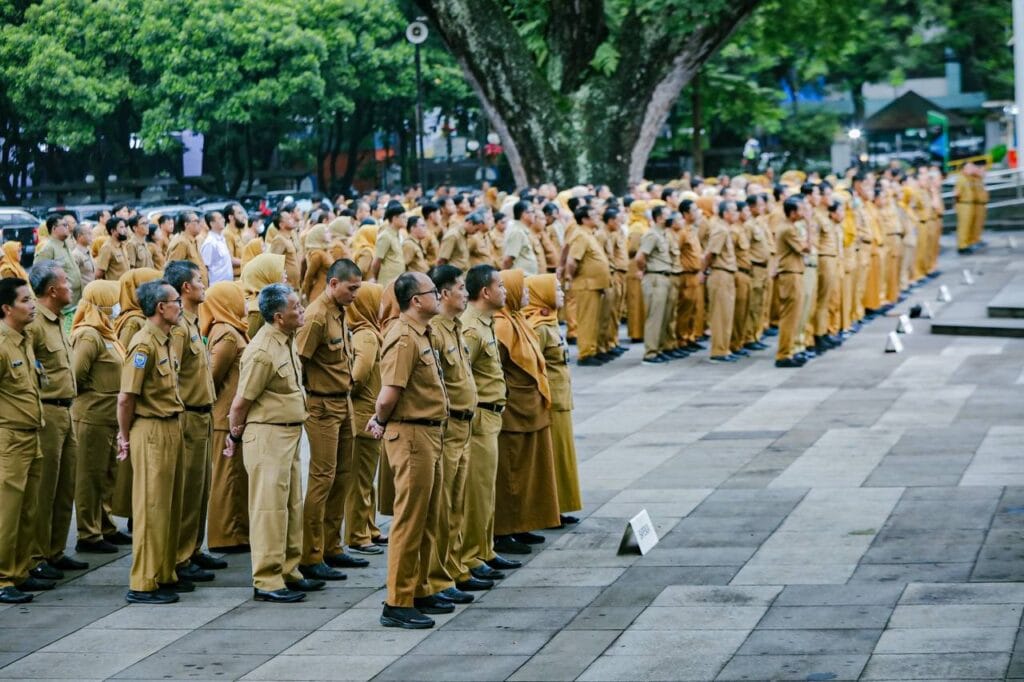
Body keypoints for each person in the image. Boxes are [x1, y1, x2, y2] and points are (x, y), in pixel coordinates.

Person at [365, 271, 450, 629]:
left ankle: (420, 589)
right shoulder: (402, 337)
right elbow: (389, 392)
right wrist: (379, 420)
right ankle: (397, 602)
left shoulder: (423, 333)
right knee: (410, 519)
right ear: (416, 300)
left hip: (429, 433)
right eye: (433, 292)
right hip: (411, 435)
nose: (439, 296)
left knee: (429, 516)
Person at [228, 283, 322, 603]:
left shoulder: (287, 340)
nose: (302, 311)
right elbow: (241, 402)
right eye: (296, 308)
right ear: (279, 317)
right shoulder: (262, 350)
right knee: (268, 509)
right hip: (268, 435)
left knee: (291, 505)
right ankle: (267, 579)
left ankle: (289, 569)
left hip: (290, 434)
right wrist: (234, 435)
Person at [295, 258, 367, 581]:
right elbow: (298, 363)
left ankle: (331, 546)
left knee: (343, 477)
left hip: (344, 403)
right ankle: (310, 555)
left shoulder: (341, 311)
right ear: (333, 284)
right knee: (322, 480)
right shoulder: (316, 316)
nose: (356, 295)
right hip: (322, 406)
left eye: (358, 289)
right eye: (351, 288)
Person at [117, 279, 186, 604]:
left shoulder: (167, 340)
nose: (180, 306)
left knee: (171, 506)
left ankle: (164, 572)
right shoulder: (143, 344)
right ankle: (143, 582)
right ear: (161, 307)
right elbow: (127, 397)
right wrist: (125, 434)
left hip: (172, 425)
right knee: (151, 507)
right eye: (176, 301)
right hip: (151, 429)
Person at [26, 261, 87, 583]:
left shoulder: (58, 320)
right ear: (52, 290)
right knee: (44, 489)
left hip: (67, 409)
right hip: (47, 412)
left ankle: (55, 550)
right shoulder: (34, 323)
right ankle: (35, 556)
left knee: (65, 487)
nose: (70, 285)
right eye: (65, 281)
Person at [422, 264, 480, 607]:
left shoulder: (457, 328)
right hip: (447, 428)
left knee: (457, 504)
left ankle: (453, 568)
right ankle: (437, 576)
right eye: (460, 287)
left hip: (465, 425)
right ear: (443, 294)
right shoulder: (436, 332)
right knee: (442, 508)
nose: (465, 293)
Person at [492, 269, 560, 553]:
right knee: (510, 472)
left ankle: (522, 523)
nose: (526, 295)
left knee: (528, 470)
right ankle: (504, 530)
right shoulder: (501, 326)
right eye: (521, 290)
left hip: (530, 406)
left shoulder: (518, 319)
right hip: (512, 409)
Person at [164, 261, 223, 582]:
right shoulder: (177, 328)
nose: (204, 284)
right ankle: (181, 556)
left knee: (200, 488)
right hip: (187, 414)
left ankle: (194, 547)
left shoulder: (192, 323)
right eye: (199, 280)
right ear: (185, 288)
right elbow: (170, 375)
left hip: (203, 412)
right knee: (187, 490)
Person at [457, 264, 510, 589]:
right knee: (475, 492)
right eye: (500, 286)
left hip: (492, 415)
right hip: (478, 417)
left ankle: (485, 549)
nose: (505, 291)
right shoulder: (471, 329)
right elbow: (463, 376)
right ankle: (471, 555)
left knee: (485, 490)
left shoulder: (486, 323)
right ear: (486, 292)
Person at [71, 280, 129, 554]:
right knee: (89, 476)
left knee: (107, 475)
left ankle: (105, 525)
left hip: (109, 417)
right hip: (92, 415)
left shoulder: (107, 331)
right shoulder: (89, 335)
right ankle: (88, 533)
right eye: (113, 299)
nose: (117, 304)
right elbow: (76, 375)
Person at [0, 277, 46, 603]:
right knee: (7, 513)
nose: (32, 305)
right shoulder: (2, 345)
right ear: (6, 308)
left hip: (32, 435)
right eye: (25, 300)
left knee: (29, 510)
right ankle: (3, 579)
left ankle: (19, 572)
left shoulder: (24, 338)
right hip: (10, 439)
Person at [523, 274, 581, 525]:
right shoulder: (539, 327)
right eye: (555, 289)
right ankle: (549, 510)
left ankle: (557, 507)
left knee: (563, 456)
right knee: (554, 457)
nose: (561, 293)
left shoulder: (550, 322)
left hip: (562, 399)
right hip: (551, 401)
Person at [201, 281, 251, 553]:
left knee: (235, 477)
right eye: (239, 296)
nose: (244, 301)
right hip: (225, 416)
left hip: (232, 415)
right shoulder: (227, 334)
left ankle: (238, 532)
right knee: (227, 477)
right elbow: (211, 378)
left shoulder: (232, 329)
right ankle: (225, 536)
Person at [345, 282, 386, 554]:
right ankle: (358, 535)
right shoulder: (367, 336)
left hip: (366, 414)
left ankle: (368, 527)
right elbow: (357, 377)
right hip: (363, 417)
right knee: (359, 480)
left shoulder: (369, 332)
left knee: (366, 478)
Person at [565, 205, 612, 366]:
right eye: (593, 215)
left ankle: (593, 350)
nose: (598, 217)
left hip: (594, 284)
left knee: (595, 321)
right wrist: (569, 277)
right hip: (586, 284)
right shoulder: (580, 235)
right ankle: (585, 354)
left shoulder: (589, 234)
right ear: (585, 219)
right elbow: (572, 260)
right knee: (586, 321)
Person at [775, 197, 811, 368]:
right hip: (790, 274)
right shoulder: (788, 229)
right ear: (793, 212)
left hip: (794, 272)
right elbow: (806, 248)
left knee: (794, 315)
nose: (803, 213)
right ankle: (784, 354)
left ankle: (789, 351)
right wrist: (810, 226)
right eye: (801, 210)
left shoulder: (789, 227)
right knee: (790, 316)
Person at [636, 205, 674, 364]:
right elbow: (640, 257)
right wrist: (644, 270)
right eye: (667, 214)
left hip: (664, 277)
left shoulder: (663, 234)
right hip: (655, 278)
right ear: (659, 218)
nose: (671, 217)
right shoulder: (652, 234)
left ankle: (660, 348)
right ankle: (650, 353)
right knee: (655, 317)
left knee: (664, 317)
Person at [703, 201, 739, 362]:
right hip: (720, 274)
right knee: (719, 315)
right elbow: (710, 254)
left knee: (727, 314)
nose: (737, 214)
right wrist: (703, 271)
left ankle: (725, 348)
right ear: (725, 214)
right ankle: (718, 351)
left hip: (727, 274)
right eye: (734, 211)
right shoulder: (720, 230)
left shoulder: (726, 229)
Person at [36, 215, 83, 307]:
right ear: (54, 228)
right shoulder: (48, 248)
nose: (68, 227)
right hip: (63, 303)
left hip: (75, 299)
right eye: (64, 225)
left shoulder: (65, 245)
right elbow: (39, 275)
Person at [240, 254, 286, 338]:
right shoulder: (257, 311)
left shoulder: (271, 301)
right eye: (280, 271)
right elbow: (249, 344)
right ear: (266, 276)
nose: (285, 275)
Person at [168, 212, 210, 287]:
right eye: (196, 221)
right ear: (186, 224)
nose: (200, 224)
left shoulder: (194, 241)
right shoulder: (181, 242)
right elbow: (173, 271)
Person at [371, 203, 406, 286]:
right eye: (403, 217)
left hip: (397, 280)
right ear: (394, 218)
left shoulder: (397, 235)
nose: (406, 220)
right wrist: (376, 278)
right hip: (387, 281)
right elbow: (376, 262)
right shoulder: (385, 236)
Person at [200, 211, 234, 285]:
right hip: (216, 285)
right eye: (220, 218)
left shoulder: (222, 239)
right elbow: (204, 267)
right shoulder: (210, 243)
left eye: (222, 218)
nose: (223, 220)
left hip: (228, 284)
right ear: (212, 223)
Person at [300, 225, 332, 302]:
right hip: (320, 292)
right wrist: (305, 293)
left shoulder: (325, 251)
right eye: (326, 232)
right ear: (319, 235)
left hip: (327, 290)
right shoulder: (317, 254)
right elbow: (309, 276)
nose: (330, 234)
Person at [95, 217, 130, 282]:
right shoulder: (107, 248)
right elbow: (99, 274)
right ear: (112, 231)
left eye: (125, 227)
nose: (125, 230)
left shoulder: (122, 245)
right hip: (116, 288)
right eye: (121, 227)